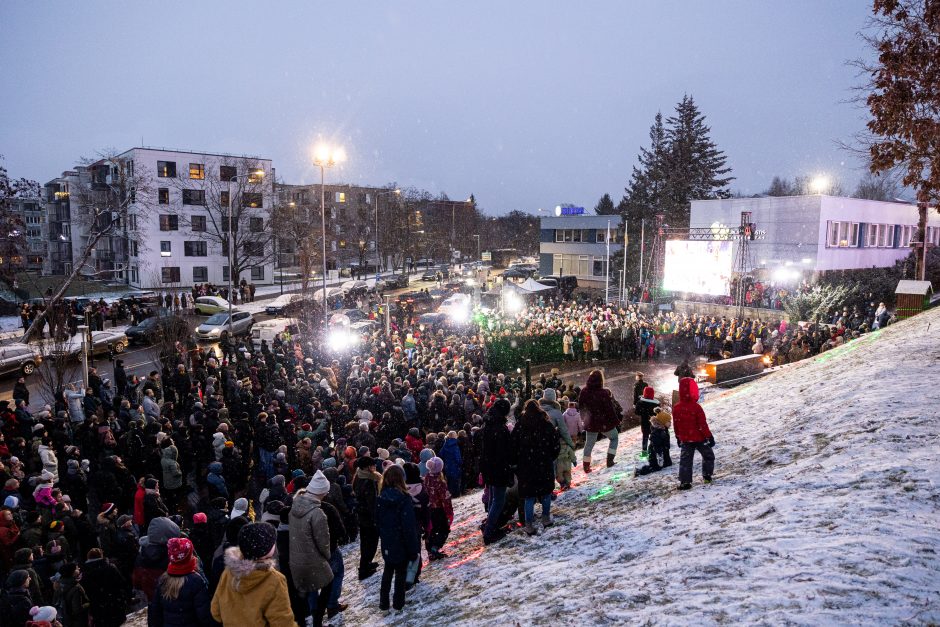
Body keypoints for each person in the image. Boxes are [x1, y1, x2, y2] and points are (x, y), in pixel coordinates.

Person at [211, 522, 297, 627]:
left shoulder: (229, 571)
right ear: (267, 550)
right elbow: (283, 622)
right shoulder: (275, 580)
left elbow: (216, 612)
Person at [288, 473, 334, 627]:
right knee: (328, 582)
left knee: (302, 593)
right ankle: (317, 622)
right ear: (322, 492)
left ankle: (301, 622)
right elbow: (323, 541)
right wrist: (327, 555)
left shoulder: (294, 506)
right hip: (312, 560)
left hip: (296, 560)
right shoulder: (317, 513)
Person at [512, 400, 561, 535]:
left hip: (526, 466)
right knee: (545, 492)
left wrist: (517, 462)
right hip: (543, 463)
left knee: (529, 496)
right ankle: (545, 518)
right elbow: (555, 443)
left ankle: (529, 524)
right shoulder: (546, 424)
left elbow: (513, 446)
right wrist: (550, 456)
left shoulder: (520, 426)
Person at [375, 465, 420, 612]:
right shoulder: (403, 499)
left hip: (388, 540)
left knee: (388, 570)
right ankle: (398, 602)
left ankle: (383, 602)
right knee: (400, 572)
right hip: (401, 541)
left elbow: (378, 521)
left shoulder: (381, 498)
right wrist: (413, 549)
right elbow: (409, 526)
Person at [147, 538, 213, 627]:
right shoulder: (196, 581)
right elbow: (204, 616)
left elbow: (155, 613)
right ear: (190, 557)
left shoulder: (163, 579)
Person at [479, 399, 514, 544]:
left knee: (494, 499)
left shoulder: (489, 424)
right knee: (498, 500)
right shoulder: (499, 428)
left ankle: (491, 525)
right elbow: (504, 452)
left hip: (489, 466)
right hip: (498, 468)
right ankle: (489, 531)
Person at [672, 377, 715, 490]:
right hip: (700, 438)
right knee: (708, 456)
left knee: (685, 461)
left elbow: (676, 425)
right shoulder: (696, 407)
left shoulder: (676, 408)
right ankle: (707, 475)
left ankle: (685, 482)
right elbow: (702, 425)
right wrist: (709, 437)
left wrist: (678, 437)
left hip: (686, 439)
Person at [578, 370, 622, 472]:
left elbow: (581, 407)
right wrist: (616, 421)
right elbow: (609, 409)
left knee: (589, 444)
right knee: (614, 438)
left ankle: (586, 466)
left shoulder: (584, 391)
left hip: (591, 423)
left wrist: (584, 419)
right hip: (604, 423)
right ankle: (610, 460)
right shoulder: (603, 393)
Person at [352, 456, 381, 581]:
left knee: (365, 542)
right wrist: (376, 519)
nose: (375, 467)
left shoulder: (358, 476)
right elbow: (372, 503)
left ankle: (366, 564)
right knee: (371, 542)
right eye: (373, 465)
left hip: (362, 516)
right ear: (368, 467)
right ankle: (364, 568)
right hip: (368, 518)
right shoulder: (369, 480)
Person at [422, 457, 452, 559]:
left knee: (432, 530)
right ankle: (435, 547)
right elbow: (445, 498)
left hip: (429, 509)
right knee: (444, 529)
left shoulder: (426, 477)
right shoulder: (440, 481)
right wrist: (449, 510)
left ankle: (430, 550)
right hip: (439, 509)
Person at [635, 386, 660, 455]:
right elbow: (659, 413)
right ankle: (653, 449)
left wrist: (643, 412)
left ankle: (644, 452)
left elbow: (637, 412)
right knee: (654, 436)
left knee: (645, 437)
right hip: (654, 423)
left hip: (644, 422)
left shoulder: (640, 402)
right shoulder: (656, 403)